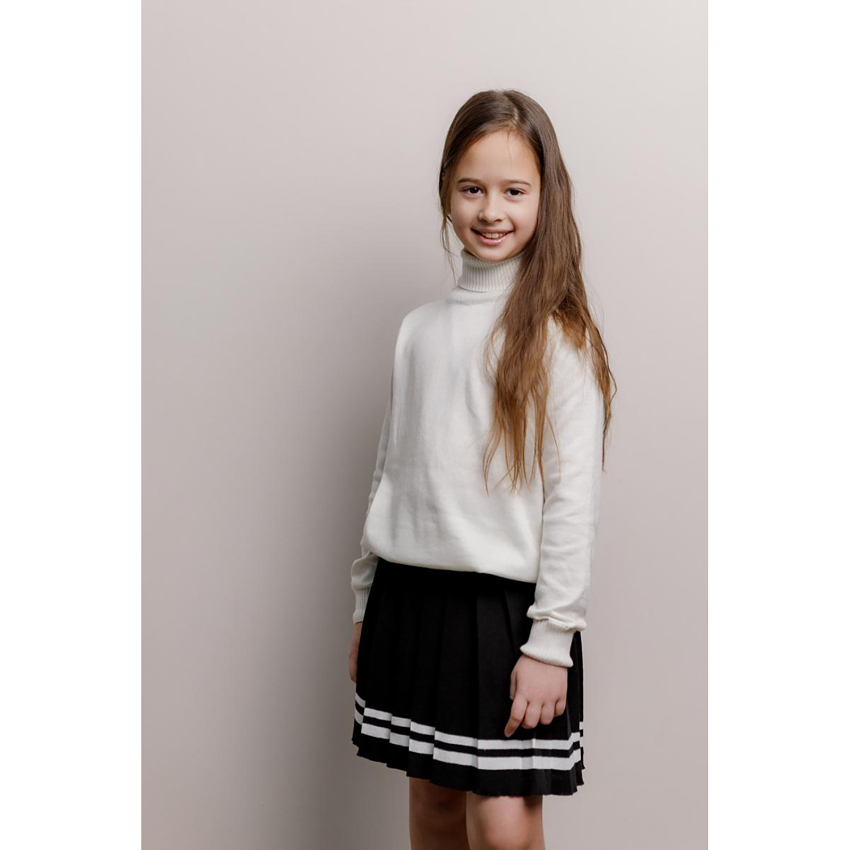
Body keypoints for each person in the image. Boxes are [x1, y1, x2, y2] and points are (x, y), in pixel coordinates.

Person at [347, 89, 616, 849]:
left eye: (513, 191)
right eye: (472, 189)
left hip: (505, 614)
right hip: (410, 598)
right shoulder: (418, 330)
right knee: (432, 804)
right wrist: (365, 607)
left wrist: (550, 642)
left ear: (546, 197)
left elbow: (572, 504)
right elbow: (390, 475)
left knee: (501, 824)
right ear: (446, 192)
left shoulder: (559, 340)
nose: (491, 210)